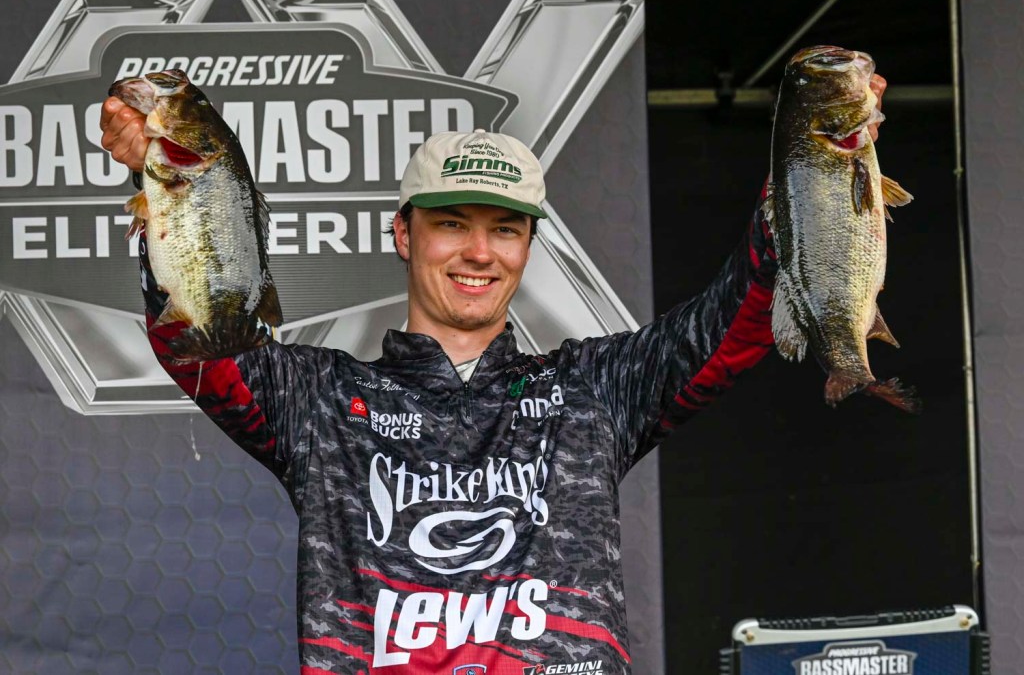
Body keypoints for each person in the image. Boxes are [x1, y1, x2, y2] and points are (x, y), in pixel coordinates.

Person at [100, 73, 886, 674]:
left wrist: (817, 160)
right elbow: (205, 343)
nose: (479, 252)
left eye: (505, 229)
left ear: (528, 247)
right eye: (452, 223)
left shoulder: (594, 389)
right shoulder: (321, 402)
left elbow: (740, 315)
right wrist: (170, 178)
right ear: (403, 234)